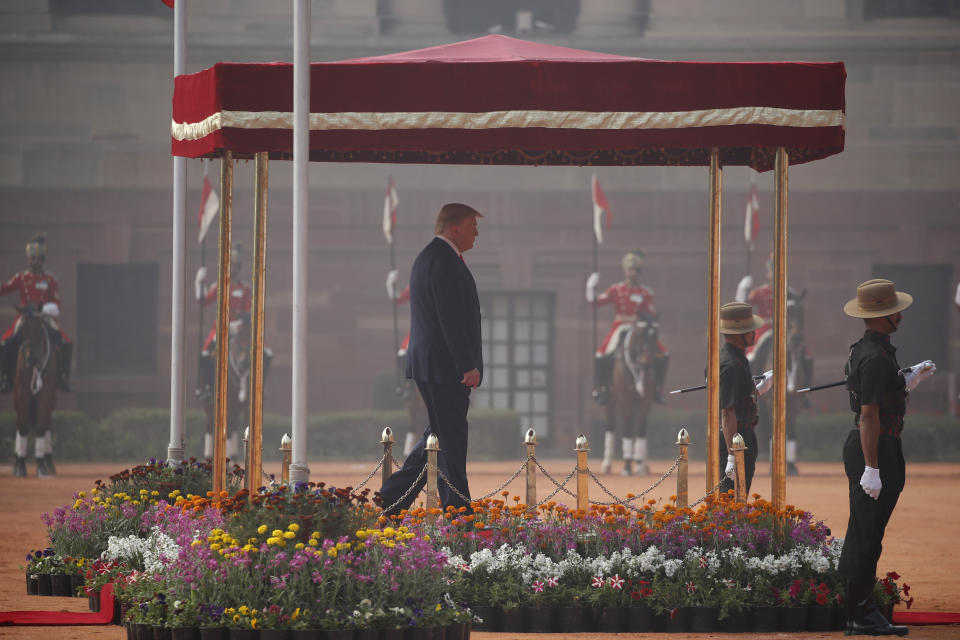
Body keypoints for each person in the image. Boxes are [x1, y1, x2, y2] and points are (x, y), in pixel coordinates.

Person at [839, 279, 933, 637]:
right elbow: (869, 415)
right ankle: (860, 614)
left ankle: (857, 612)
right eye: (895, 310)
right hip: (875, 446)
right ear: (882, 315)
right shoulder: (875, 357)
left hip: (876, 445)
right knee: (867, 533)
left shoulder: (869, 350)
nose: (900, 315)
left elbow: (878, 397)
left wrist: (907, 380)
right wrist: (872, 467)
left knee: (866, 531)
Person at [379, 203, 483, 516]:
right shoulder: (443, 260)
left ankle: (393, 498)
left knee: (437, 437)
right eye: (472, 226)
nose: (476, 232)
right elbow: (449, 319)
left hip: (434, 362)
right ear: (455, 228)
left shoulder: (436, 257)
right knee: (451, 439)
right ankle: (458, 513)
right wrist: (466, 364)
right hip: (443, 366)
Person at [586, 250, 669, 405]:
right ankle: (601, 389)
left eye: (636, 270)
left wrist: (650, 320)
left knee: (664, 353)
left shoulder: (645, 292)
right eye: (631, 270)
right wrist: (590, 287)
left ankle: (657, 389)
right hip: (621, 326)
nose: (633, 273)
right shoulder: (616, 289)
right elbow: (596, 302)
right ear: (625, 271)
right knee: (601, 354)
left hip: (639, 328)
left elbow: (650, 312)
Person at [0, 233, 73, 394]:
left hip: (43, 317)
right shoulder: (21, 278)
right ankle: (5, 379)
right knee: (5, 343)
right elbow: (4, 289)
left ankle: (64, 378)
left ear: (43, 260)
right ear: (28, 260)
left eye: (39, 259)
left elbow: (56, 302)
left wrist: (48, 309)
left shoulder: (50, 280)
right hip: (25, 317)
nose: (35, 261)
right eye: (33, 258)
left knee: (65, 342)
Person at [718, 301, 772, 495]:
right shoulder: (732, 364)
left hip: (742, 435)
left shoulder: (738, 359)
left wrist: (760, 389)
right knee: (731, 499)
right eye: (749, 330)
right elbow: (728, 412)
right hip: (735, 437)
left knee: (740, 497)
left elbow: (739, 396)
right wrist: (733, 455)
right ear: (737, 334)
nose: (754, 333)